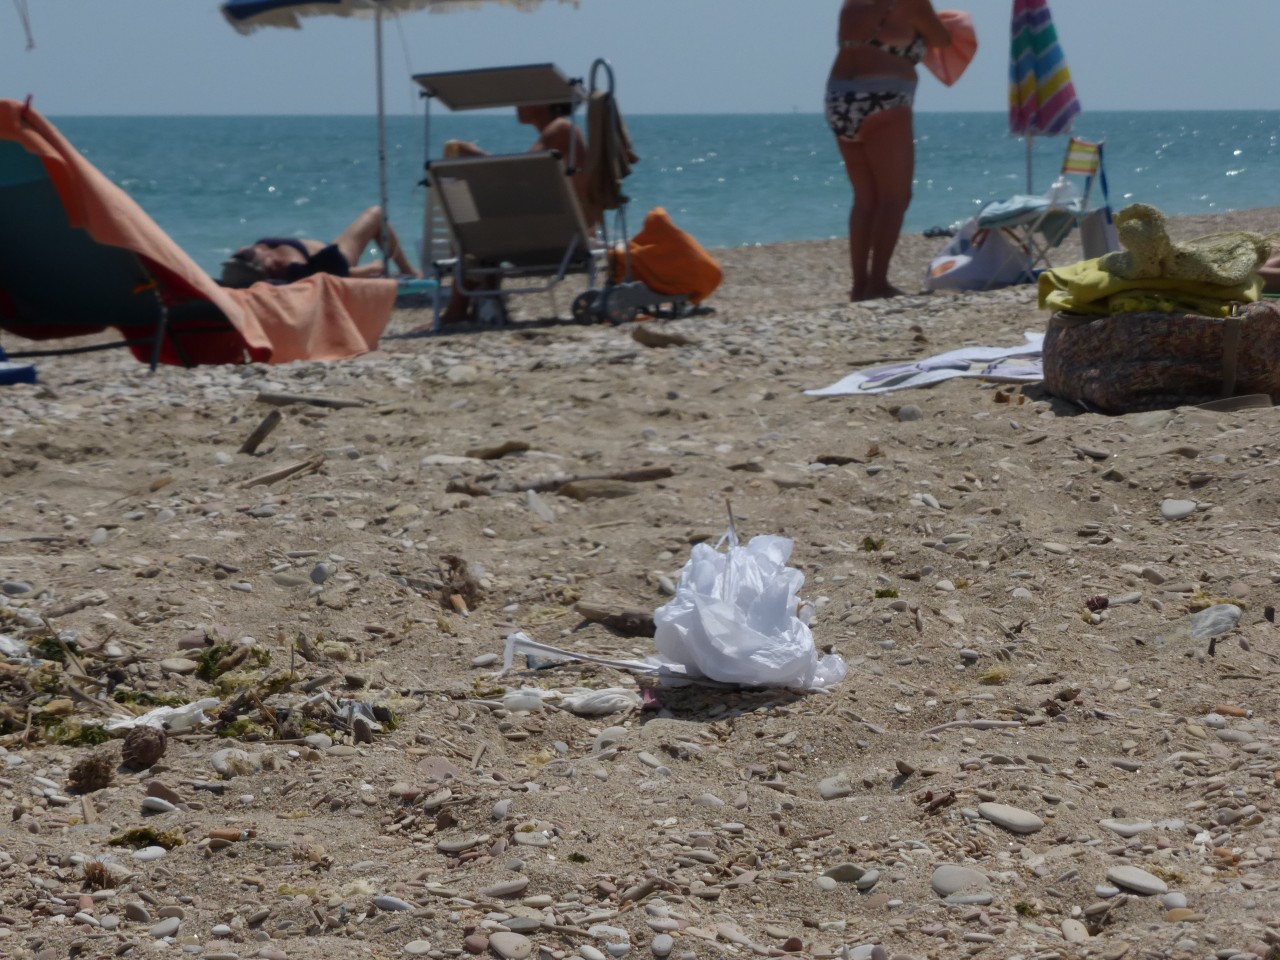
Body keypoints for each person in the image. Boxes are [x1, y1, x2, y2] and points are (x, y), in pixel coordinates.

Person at [827, 0, 951, 301]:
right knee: (895, 197)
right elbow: (943, 40)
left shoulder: (851, 5)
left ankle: (859, 285)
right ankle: (878, 282)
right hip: (884, 96)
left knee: (865, 198)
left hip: (839, 98)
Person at [437, 102, 595, 325]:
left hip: (568, 242)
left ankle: (461, 308)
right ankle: (480, 301)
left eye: (525, 99)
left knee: (471, 232)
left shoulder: (562, 129)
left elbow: (520, 173)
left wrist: (473, 154)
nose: (517, 105)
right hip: (562, 236)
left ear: (545, 101)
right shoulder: (562, 134)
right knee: (479, 227)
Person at [220, 206, 419, 288]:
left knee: (376, 218)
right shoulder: (289, 266)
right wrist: (371, 269)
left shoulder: (251, 256)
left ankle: (402, 269)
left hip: (323, 257)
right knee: (375, 214)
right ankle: (408, 270)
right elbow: (328, 279)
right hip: (335, 259)